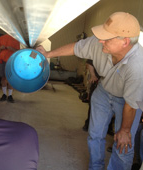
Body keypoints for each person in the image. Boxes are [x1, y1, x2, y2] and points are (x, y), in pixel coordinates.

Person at [37, 12, 143, 170]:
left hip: (128, 102)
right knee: (95, 135)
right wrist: (48, 54)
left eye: (106, 38)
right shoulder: (99, 43)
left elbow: (131, 104)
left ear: (125, 42)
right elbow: (75, 47)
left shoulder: (138, 65)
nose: (100, 40)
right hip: (104, 90)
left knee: (123, 144)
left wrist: (125, 130)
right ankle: (96, 167)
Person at [0, 34, 20, 103]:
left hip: (11, 62)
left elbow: (18, 52)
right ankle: (4, 94)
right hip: (2, 61)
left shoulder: (16, 39)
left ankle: (10, 95)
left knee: (10, 79)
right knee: (3, 78)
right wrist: (1, 48)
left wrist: (12, 49)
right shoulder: (1, 38)